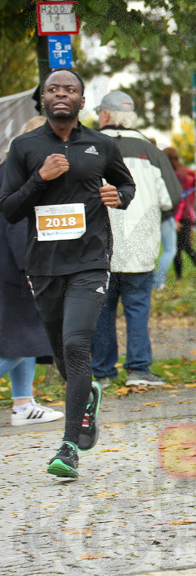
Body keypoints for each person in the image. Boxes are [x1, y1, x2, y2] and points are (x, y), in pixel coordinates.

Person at [0, 69, 136, 478]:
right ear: (44, 99)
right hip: (43, 267)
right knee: (62, 353)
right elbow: (9, 209)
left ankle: (68, 447)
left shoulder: (101, 144)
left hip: (90, 262)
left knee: (77, 345)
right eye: (53, 89)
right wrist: (40, 178)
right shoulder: (24, 147)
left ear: (81, 100)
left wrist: (119, 196)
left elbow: (126, 187)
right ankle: (87, 395)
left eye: (70, 89)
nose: (61, 94)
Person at [90, 91, 173, 389]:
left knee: (102, 311)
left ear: (105, 115)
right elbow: (170, 198)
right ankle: (139, 369)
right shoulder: (151, 150)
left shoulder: (90, 145)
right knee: (137, 309)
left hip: (100, 245)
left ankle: (102, 373)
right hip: (141, 244)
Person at [1, 116, 64, 427]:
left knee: (22, 339)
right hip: (16, 270)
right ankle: (23, 404)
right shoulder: (20, 176)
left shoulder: (14, 171)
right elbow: (15, 224)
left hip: (13, 267)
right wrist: (30, 267)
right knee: (24, 340)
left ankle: (24, 404)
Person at [165, 146, 196, 279]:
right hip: (180, 215)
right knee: (179, 248)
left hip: (182, 216)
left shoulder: (178, 175)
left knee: (184, 247)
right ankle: (180, 277)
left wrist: (176, 219)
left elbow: (181, 199)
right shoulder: (179, 173)